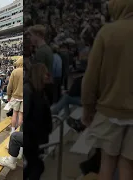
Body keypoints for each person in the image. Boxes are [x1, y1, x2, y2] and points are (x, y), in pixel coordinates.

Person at [81, 0, 133, 179]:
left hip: (110, 110)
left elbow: (91, 77)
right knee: (128, 166)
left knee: (107, 163)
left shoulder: (108, 32)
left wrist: (87, 108)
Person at [24, 64, 52, 179]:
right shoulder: (28, 90)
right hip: (28, 138)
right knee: (37, 167)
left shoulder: (39, 90)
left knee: (33, 166)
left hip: (34, 137)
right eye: (46, 74)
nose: (48, 76)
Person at [7, 57, 23, 133]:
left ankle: (13, 130)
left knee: (14, 114)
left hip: (16, 96)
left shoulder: (14, 72)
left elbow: (9, 86)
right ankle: (19, 131)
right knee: (21, 115)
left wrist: (9, 96)